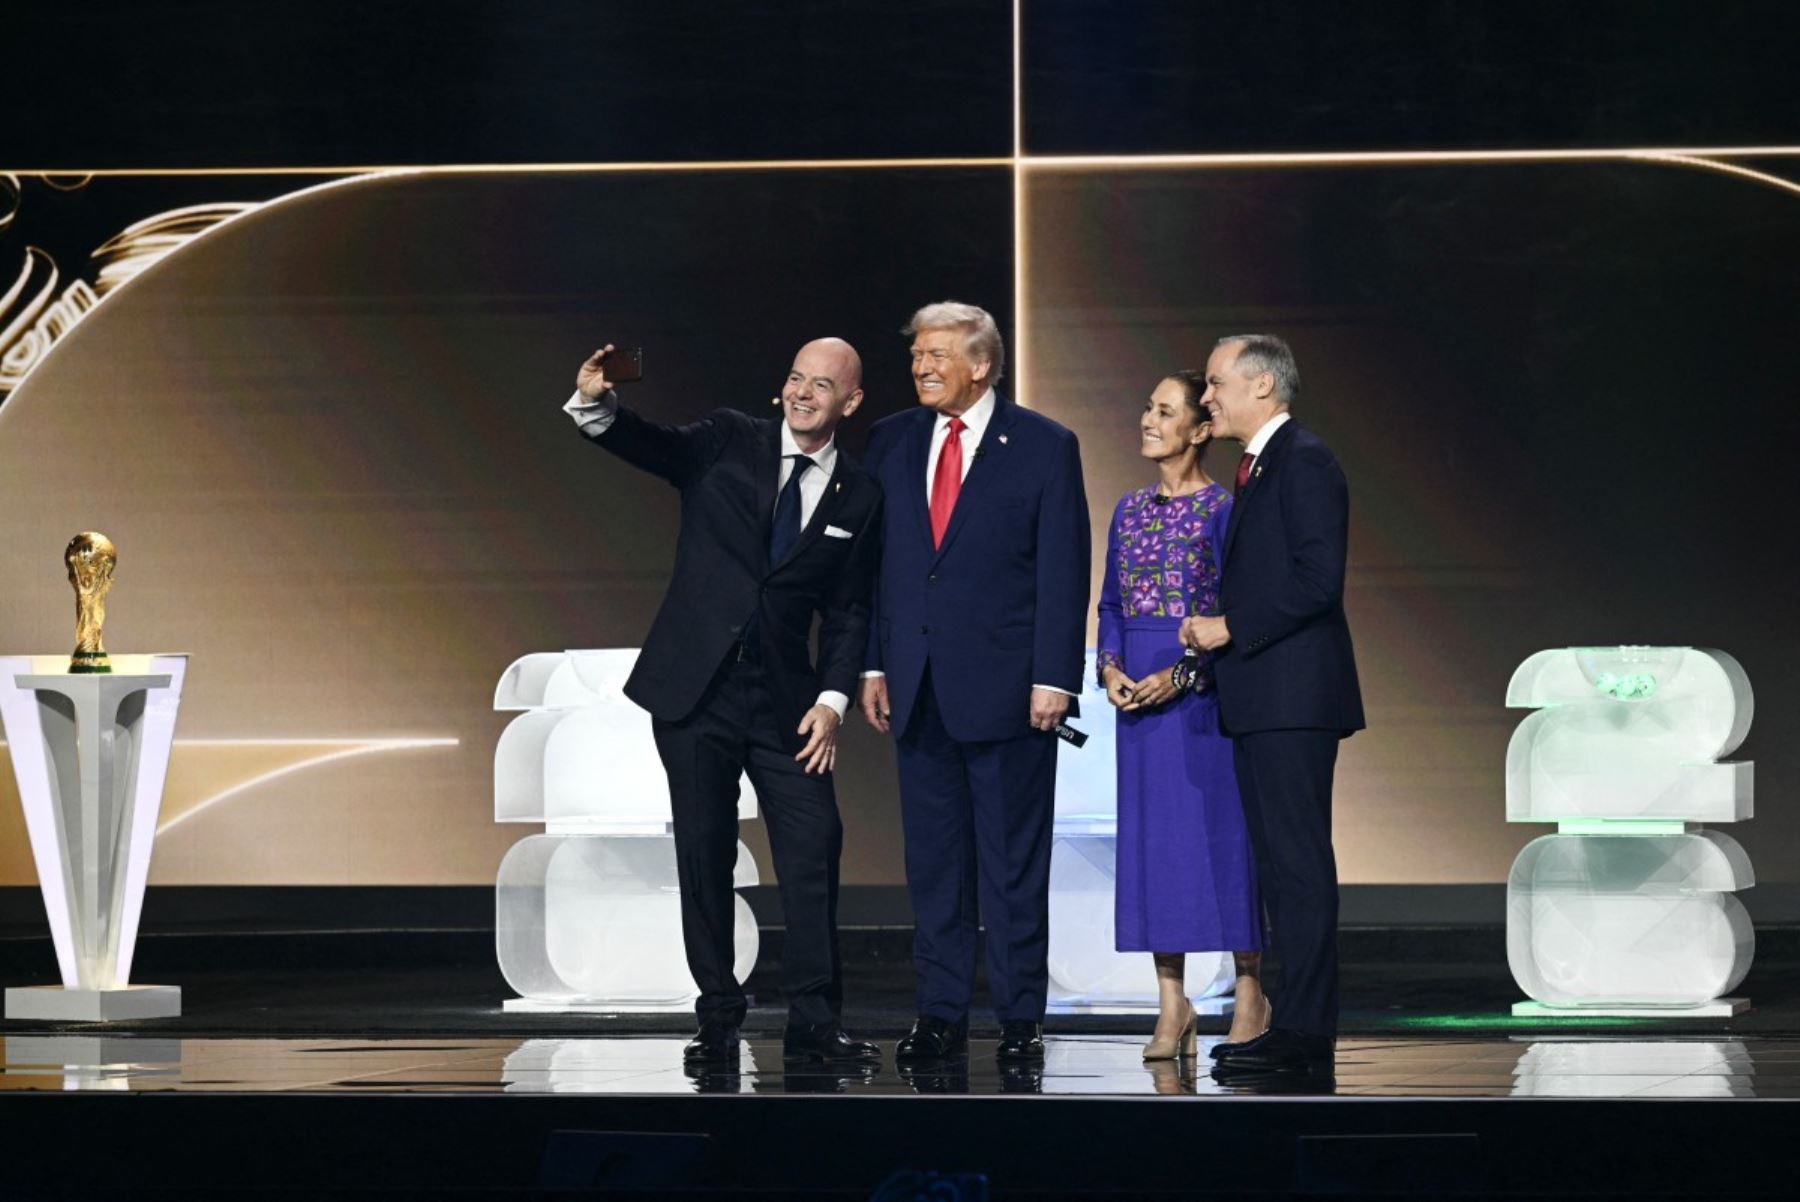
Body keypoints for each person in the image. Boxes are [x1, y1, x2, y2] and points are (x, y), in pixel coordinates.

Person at [564, 337, 885, 1069]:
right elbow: (649, 445)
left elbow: (849, 610)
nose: (804, 393)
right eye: (796, 377)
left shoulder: (858, 494)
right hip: (695, 689)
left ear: (852, 401)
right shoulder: (725, 439)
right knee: (704, 854)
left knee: (814, 849)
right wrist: (598, 404)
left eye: (823, 385)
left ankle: (814, 1023)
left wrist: (833, 700)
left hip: (787, 705)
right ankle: (718, 1019)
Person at [858, 301, 1091, 1064]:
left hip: (1011, 693)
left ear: (981, 363)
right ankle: (941, 1014)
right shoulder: (890, 441)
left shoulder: (1044, 446)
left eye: (936, 355)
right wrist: (872, 661)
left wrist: (1056, 676)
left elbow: (1063, 568)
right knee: (935, 866)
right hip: (918, 689)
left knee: (1013, 864)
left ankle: (1021, 1017)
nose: (921, 366)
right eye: (916, 354)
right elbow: (876, 568)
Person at [1179, 334, 1364, 1077]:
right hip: (1263, 697)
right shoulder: (1259, 467)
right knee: (1281, 866)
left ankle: (1307, 1030)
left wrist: (1231, 627)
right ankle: (1293, 1025)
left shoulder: (1305, 460)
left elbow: (1320, 581)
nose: (1206, 398)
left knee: (1298, 864)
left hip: (1293, 697)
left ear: (1261, 385)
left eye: (1216, 383)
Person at [1096, 371, 1266, 1061]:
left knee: (1224, 841)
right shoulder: (1128, 508)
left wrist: (1187, 673)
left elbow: (1237, 613)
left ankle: (1252, 988)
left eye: (1164, 411)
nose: (1148, 419)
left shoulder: (1224, 512)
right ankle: (1173, 1003)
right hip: (1138, 695)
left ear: (1199, 430)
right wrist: (1109, 667)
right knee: (1153, 850)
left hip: (1203, 694)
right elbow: (1109, 601)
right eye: (1147, 406)